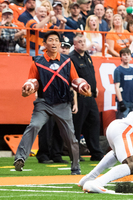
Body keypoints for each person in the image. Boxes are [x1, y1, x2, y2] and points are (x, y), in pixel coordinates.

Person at [13, 30, 92, 175]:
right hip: (43, 102)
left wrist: (83, 88)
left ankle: (75, 167)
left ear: (60, 43)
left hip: (63, 103)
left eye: (56, 40)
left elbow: (74, 80)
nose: (54, 42)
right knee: (34, 125)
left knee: (70, 137)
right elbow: (32, 82)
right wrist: (26, 91)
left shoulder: (67, 61)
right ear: (44, 44)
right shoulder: (37, 62)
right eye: (50, 40)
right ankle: (20, 158)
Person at [69, 33, 104, 162]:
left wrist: (94, 89)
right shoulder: (72, 58)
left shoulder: (87, 56)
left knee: (94, 123)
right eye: (80, 41)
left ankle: (96, 153)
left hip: (90, 96)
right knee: (77, 126)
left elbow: (90, 75)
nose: (83, 43)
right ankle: (75, 154)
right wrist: (74, 100)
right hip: (79, 97)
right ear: (75, 44)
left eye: (84, 41)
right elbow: (71, 79)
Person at [114, 48, 133, 119]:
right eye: (124, 55)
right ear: (120, 57)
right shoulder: (118, 70)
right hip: (124, 101)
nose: (126, 56)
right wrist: (121, 101)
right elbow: (117, 87)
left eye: (128, 55)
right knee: (122, 123)